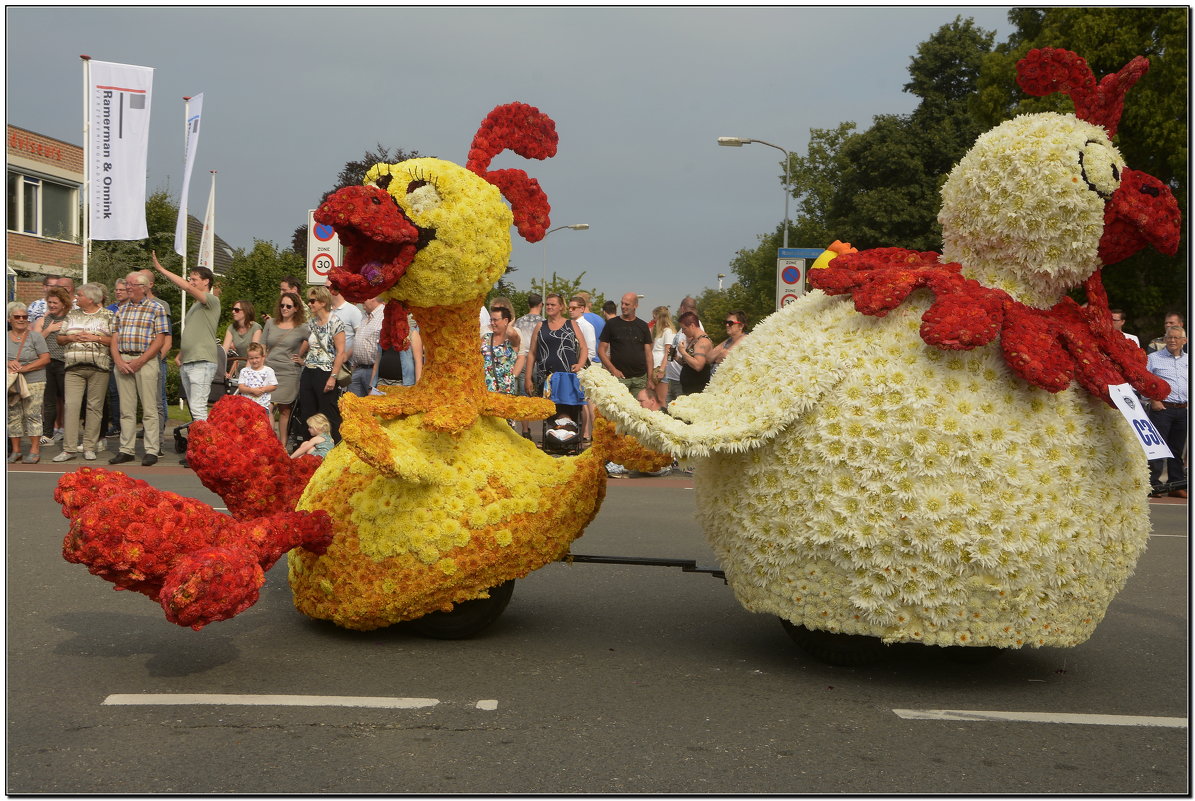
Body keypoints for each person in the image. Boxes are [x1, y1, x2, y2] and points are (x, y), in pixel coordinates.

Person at [153, 253, 221, 427]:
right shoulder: (195, 306)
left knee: (198, 409)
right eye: (190, 279)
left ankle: (206, 451)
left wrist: (162, 270)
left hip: (202, 361)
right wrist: (181, 354)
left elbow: (189, 289)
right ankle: (198, 448)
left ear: (206, 282)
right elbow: (196, 331)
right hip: (189, 360)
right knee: (194, 409)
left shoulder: (212, 300)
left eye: (194, 279)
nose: (191, 282)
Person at [109, 271, 170, 466]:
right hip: (124, 360)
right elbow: (115, 337)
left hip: (146, 361)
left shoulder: (156, 308)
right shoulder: (122, 309)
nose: (127, 287)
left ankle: (151, 450)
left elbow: (160, 339)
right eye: (127, 284)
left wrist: (141, 361)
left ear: (143, 288)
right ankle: (126, 449)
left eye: (131, 284)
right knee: (126, 409)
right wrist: (118, 360)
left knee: (150, 408)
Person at [53, 283, 115, 462]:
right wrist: (70, 337)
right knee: (71, 406)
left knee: (94, 408)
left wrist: (96, 338)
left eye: (79, 295)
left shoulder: (108, 315)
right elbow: (59, 338)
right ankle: (69, 449)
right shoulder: (72, 314)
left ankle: (89, 446)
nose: (75, 298)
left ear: (90, 298)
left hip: (99, 367)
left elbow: (115, 340)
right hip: (73, 367)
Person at [299, 286, 347, 443]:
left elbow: (340, 352)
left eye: (312, 301)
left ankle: (335, 448)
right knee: (307, 411)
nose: (310, 304)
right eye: (309, 301)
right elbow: (309, 344)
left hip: (326, 371)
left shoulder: (335, 322)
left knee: (328, 413)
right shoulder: (312, 322)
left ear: (322, 302)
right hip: (309, 370)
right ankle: (310, 449)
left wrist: (333, 377)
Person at [262, 292, 310, 446]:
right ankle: (270, 442)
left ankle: (282, 445)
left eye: (288, 306)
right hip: (269, 371)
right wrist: (261, 362)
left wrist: (303, 359)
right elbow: (262, 343)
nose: (284, 308)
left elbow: (316, 342)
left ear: (296, 308)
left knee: (285, 410)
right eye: (282, 305)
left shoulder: (302, 327)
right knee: (266, 408)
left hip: (289, 372)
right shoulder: (270, 323)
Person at [1146, 327, 1188, 497]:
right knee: (1157, 447)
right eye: (1169, 338)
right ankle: (1153, 485)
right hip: (1162, 408)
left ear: (1184, 341)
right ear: (1164, 339)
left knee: (1176, 449)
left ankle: (1176, 485)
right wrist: (1153, 400)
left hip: (1183, 409)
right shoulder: (1153, 358)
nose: (1172, 341)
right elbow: (1143, 381)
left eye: (1176, 338)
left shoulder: (1189, 360)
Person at [6, 302, 50, 464]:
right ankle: (16, 450)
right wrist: (7, 363)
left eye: (25, 317)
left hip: (34, 380)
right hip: (12, 382)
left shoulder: (35, 336)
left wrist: (25, 368)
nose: (21, 319)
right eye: (17, 316)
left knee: (33, 414)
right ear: (9, 319)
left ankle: (34, 450)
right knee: (13, 415)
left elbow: (45, 358)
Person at [524, 293, 587, 399]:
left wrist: (580, 364)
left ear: (561, 306)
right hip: (544, 378)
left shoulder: (571, 324)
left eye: (553, 305)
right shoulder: (540, 326)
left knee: (567, 410)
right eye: (547, 304)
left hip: (568, 377)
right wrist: (528, 378)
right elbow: (532, 353)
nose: (549, 307)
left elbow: (583, 347)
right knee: (546, 411)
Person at [138, 268, 173, 452]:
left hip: (155, 361)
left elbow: (166, 339)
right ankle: (147, 435)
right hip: (138, 360)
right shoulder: (132, 305)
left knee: (157, 401)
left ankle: (158, 442)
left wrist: (158, 359)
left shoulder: (161, 305)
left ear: (150, 285)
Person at [33, 286, 71, 445]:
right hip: (47, 364)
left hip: (65, 363)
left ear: (63, 303)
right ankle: (47, 434)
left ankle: (69, 435)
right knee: (48, 401)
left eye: (55, 302)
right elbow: (34, 342)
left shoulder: (71, 319)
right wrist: (49, 330)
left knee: (68, 401)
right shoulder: (43, 320)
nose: (52, 305)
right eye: (50, 302)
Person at [598, 292, 653, 398]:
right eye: (622, 303)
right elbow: (601, 351)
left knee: (640, 410)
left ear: (635, 305)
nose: (623, 307)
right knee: (619, 410)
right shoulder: (612, 324)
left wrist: (649, 379)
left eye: (627, 304)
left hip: (640, 378)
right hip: (619, 378)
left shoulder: (642, 326)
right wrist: (613, 370)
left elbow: (649, 355)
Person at [513, 293, 545, 439]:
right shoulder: (544, 322)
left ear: (528, 305)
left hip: (523, 359)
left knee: (523, 396)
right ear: (541, 305)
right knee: (544, 395)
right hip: (539, 360)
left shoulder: (519, 321)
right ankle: (546, 429)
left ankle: (525, 430)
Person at [102, 278, 128, 437]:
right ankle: (117, 424)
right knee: (113, 392)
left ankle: (127, 425)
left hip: (128, 354)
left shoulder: (134, 308)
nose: (118, 292)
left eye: (121, 290)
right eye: (116, 289)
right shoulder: (109, 309)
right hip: (111, 356)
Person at [347, 295, 384, 397]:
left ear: (373, 297)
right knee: (353, 406)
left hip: (373, 370)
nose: (362, 300)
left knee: (371, 407)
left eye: (365, 296)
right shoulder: (365, 317)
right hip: (358, 368)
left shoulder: (384, 316)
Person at [482, 306, 524, 395]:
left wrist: (508, 325)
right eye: (491, 320)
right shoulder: (485, 337)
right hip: (485, 389)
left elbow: (511, 333)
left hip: (505, 390)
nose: (492, 323)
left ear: (505, 321)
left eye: (495, 320)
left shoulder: (511, 341)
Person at [373, 316, 424, 389]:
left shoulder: (412, 333)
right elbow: (377, 361)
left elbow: (418, 362)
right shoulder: (384, 333)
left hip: (403, 385)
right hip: (381, 382)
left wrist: (418, 387)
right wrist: (371, 386)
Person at [222, 299, 262, 381]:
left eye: (236, 310)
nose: (233, 312)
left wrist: (245, 375)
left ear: (246, 311)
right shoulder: (231, 328)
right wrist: (222, 371)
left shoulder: (256, 328)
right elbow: (223, 351)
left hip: (255, 366)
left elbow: (253, 353)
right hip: (240, 367)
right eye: (232, 309)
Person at [674, 311, 713, 396]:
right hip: (688, 389)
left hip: (697, 390)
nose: (683, 332)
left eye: (684, 329)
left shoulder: (702, 342)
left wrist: (683, 352)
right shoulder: (694, 340)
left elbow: (698, 366)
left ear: (692, 325)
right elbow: (688, 363)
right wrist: (676, 357)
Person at [235, 342, 277, 413]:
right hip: (246, 405)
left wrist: (262, 389)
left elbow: (274, 386)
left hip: (262, 406)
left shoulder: (269, 371)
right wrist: (252, 390)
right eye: (251, 358)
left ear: (263, 357)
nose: (254, 361)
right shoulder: (244, 371)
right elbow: (241, 387)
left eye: (257, 358)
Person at [649, 305, 675, 407]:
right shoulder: (661, 332)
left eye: (654, 317)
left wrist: (662, 369)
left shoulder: (668, 332)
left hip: (661, 368)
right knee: (656, 398)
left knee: (661, 399)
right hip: (656, 366)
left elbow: (668, 352)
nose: (653, 320)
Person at [708, 310, 748, 376]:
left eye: (730, 323)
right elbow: (709, 357)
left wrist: (718, 356)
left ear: (741, 326)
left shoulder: (745, 337)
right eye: (726, 322)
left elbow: (725, 356)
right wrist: (721, 353)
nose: (727, 325)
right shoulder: (728, 340)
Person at [328, 285, 363, 354]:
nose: (324, 290)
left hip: (346, 361)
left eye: (327, 287)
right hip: (327, 360)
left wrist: (346, 356)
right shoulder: (325, 310)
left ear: (335, 290)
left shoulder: (353, 310)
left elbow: (360, 338)